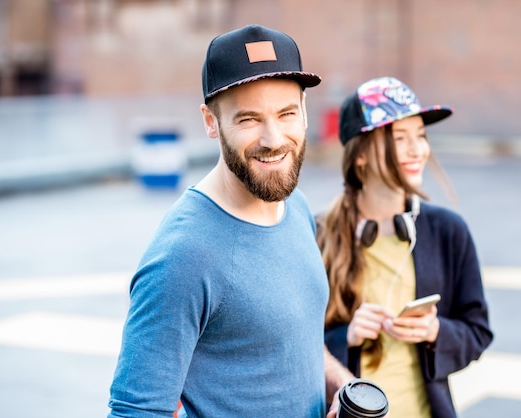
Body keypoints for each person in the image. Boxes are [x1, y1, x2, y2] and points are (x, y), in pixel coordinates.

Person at [107, 24, 353, 417]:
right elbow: (135, 410)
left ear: (305, 112)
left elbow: (298, 343)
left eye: (286, 113)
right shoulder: (184, 254)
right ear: (210, 121)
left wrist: (341, 384)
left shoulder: (296, 206)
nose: (274, 139)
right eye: (249, 119)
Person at [317, 76, 494, 418]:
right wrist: (347, 336)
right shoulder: (317, 235)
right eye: (400, 138)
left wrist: (435, 331)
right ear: (361, 156)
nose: (418, 150)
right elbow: (294, 344)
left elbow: (477, 331)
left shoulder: (448, 231)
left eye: (421, 136)